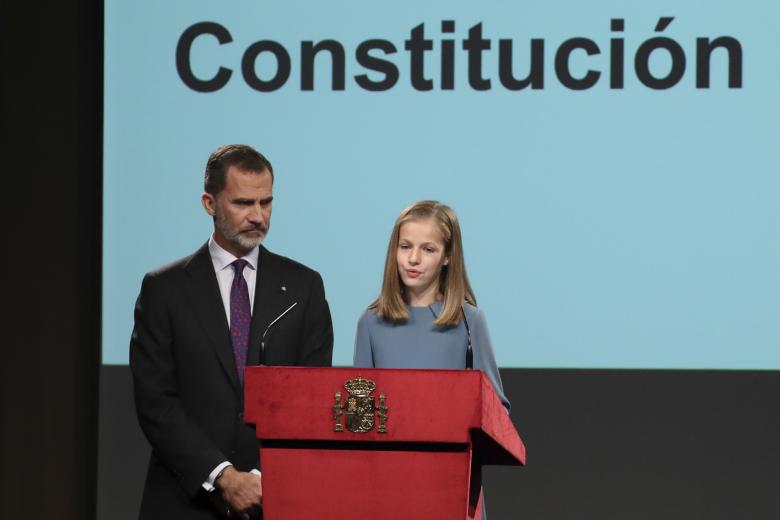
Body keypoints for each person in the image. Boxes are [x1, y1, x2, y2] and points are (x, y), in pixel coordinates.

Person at [130, 144, 333, 519]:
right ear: (209, 203)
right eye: (243, 203)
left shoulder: (304, 287)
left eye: (266, 202)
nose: (258, 216)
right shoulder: (165, 289)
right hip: (185, 500)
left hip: (277, 498)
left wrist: (258, 476)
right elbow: (155, 401)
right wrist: (223, 476)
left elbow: (311, 397)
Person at [353, 200, 508, 518]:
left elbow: (497, 411)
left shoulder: (469, 321)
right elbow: (359, 416)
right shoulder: (371, 322)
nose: (413, 258)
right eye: (405, 246)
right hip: (387, 488)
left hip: (452, 487)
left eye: (428, 249)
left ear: (448, 256)